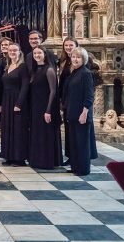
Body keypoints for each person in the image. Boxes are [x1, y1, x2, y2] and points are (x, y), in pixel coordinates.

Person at [62, 47, 98, 176]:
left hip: (81, 114)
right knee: (74, 142)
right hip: (72, 113)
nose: (75, 59)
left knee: (82, 143)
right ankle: (76, 166)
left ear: (84, 59)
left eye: (78, 57)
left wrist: (84, 113)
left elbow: (89, 96)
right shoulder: (74, 73)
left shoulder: (86, 73)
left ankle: (83, 169)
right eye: (73, 57)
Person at [28, 45, 62, 169]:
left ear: (45, 54)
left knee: (45, 133)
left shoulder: (49, 70)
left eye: (39, 53)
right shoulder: (35, 69)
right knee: (38, 133)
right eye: (35, 53)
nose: (37, 55)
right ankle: (37, 160)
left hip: (46, 106)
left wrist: (48, 110)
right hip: (36, 106)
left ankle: (47, 161)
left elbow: (53, 91)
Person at [0, 43, 30, 166]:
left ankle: (19, 158)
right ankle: (9, 156)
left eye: (15, 50)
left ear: (19, 52)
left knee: (18, 130)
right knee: (7, 128)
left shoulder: (22, 67)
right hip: (6, 100)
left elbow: (25, 86)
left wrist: (19, 103)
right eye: (10, 50)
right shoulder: (8, 66)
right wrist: (1, 103)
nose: (12, 52)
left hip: (17, 100)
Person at [58, 36, 78, 165]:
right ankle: (70, 156)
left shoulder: (79, 60)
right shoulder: (64, 61)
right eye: (66, 46)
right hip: (65, 99)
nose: (68, 48)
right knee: (68, 128)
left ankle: (77, 157)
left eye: (71, 45)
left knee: (75, 130)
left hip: (75, 99)